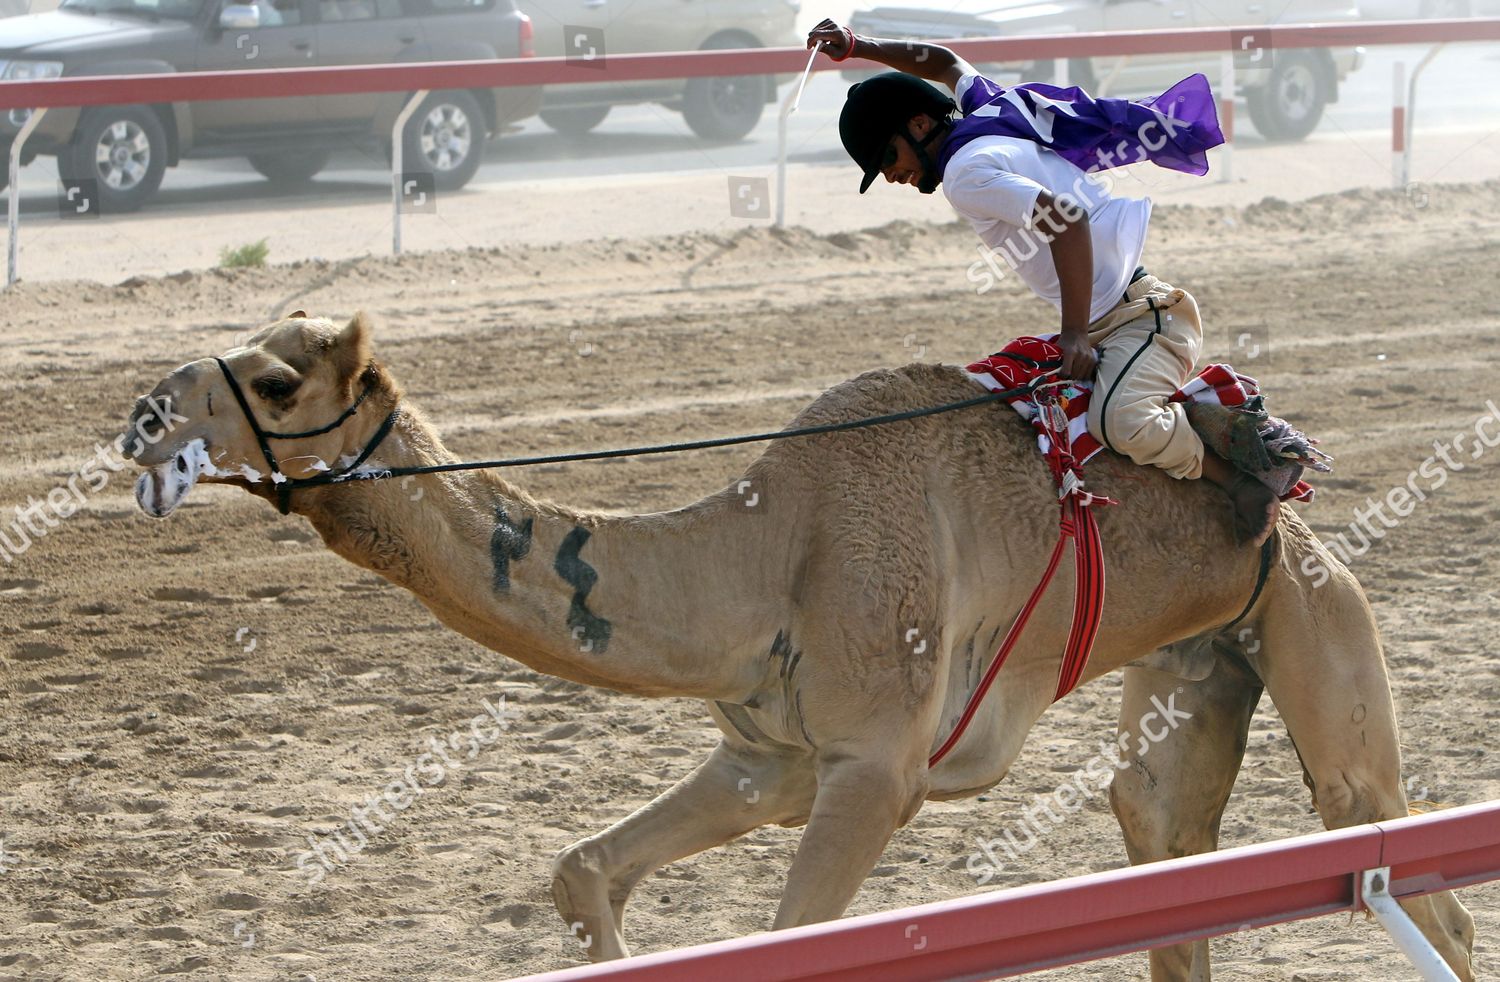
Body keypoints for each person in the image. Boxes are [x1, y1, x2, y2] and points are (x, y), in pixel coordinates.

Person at [807, 20, 1279, 545]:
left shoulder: (965, 175)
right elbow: (942, 62)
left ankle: (1240, 483)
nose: (890, 176)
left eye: (886, 158)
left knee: (1119, 424)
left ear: (919, 126)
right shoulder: (989, 112)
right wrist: (859, 46)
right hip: (1112, 318)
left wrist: (1073, 331)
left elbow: (1067, 219)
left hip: (1142, 320)